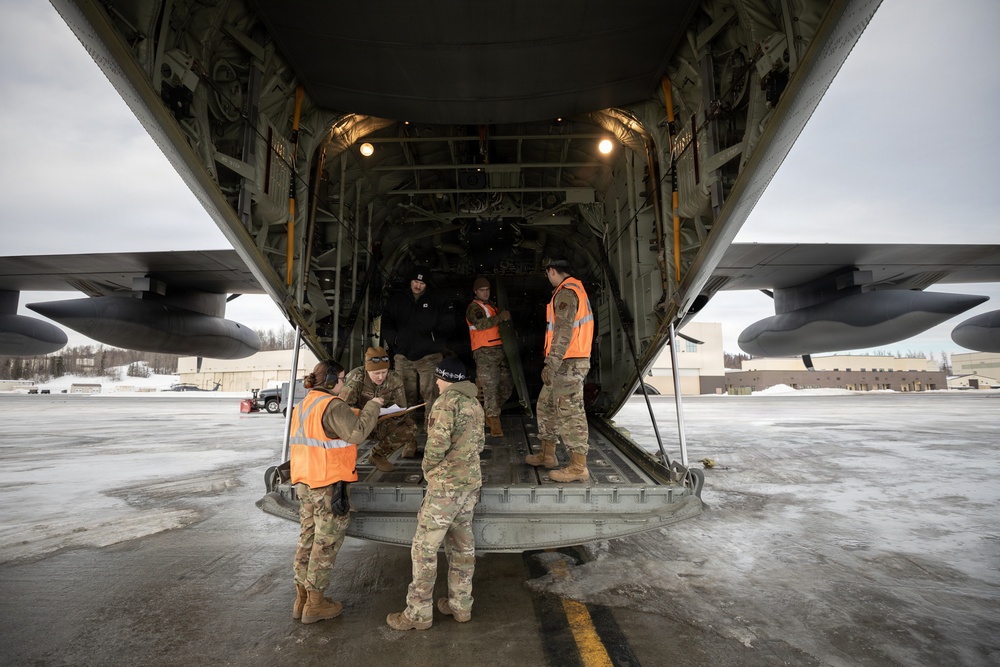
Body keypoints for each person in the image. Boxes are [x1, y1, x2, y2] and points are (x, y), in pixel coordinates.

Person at [386, 357, 484, 631]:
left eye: (439, 378)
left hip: (445, 489)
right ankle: (461, 606)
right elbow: (480, 443)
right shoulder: (474, 403)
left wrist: (428, 470)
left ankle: (418, 613)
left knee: (424, 549)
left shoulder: (445, 404)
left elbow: (436, 446)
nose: (437, 383)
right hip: (469, 484)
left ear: (447, 378)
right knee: (462, 547)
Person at [290, 360, 383, 624]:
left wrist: (350, 411)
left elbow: (326, 429)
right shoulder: (332, 405)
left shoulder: (305, 403)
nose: (343, 384)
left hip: (305, 482)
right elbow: (357, 433)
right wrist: (372, 407)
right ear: (330, 380)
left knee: (307, 539)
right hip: (327, 484)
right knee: (325, 543)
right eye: (341, 379)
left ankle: (301, 600)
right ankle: (316, 604)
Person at [524, 257, 594, 483]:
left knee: (570, 413)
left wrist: (551, 363)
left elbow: (563, 332)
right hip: (565, 361)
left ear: (552, 271)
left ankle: (577, 467)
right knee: (546, 406)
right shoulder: (572, 290)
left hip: (569, 363)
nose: (548, 278)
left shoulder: (566, 292)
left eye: (547, 273)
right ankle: (548, 455)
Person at [381, 265, 455, 437]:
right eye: (415, 281)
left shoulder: (439, 299)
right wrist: (395, 340)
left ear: (426, 284)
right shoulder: (397, 300)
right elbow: (386, 323)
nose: (418, 285)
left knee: (431, 396)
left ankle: (433, 437)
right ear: (410, 281)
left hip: (429, 357)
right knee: (405, 398)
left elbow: (448, 323)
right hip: (403, 356)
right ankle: (408, 439)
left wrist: (434, 339)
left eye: (422, 283)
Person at [339, 346, 418, 471]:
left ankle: (378, 455)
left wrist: (391, 418)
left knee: (408, 427)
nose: (381, 377)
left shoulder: (394, 379)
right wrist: (366, 413)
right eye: (376, 373)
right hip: (358, 424)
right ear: (367, 370)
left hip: (381, 422)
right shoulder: (355, 378)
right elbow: (342, 410)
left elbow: (400, 409)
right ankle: (343, 461)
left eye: (384, 372)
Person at [465, 276, 513, 437]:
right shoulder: (474, 308)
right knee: (490, 388)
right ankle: (494, 422)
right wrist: (501, 317)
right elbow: (481, 324)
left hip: (499, 350)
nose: (485, 293)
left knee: (507, 386)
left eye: (487, 290)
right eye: (482, 290)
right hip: (484, 352)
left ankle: (489, 411)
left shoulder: (491, 306)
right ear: (476, 292)